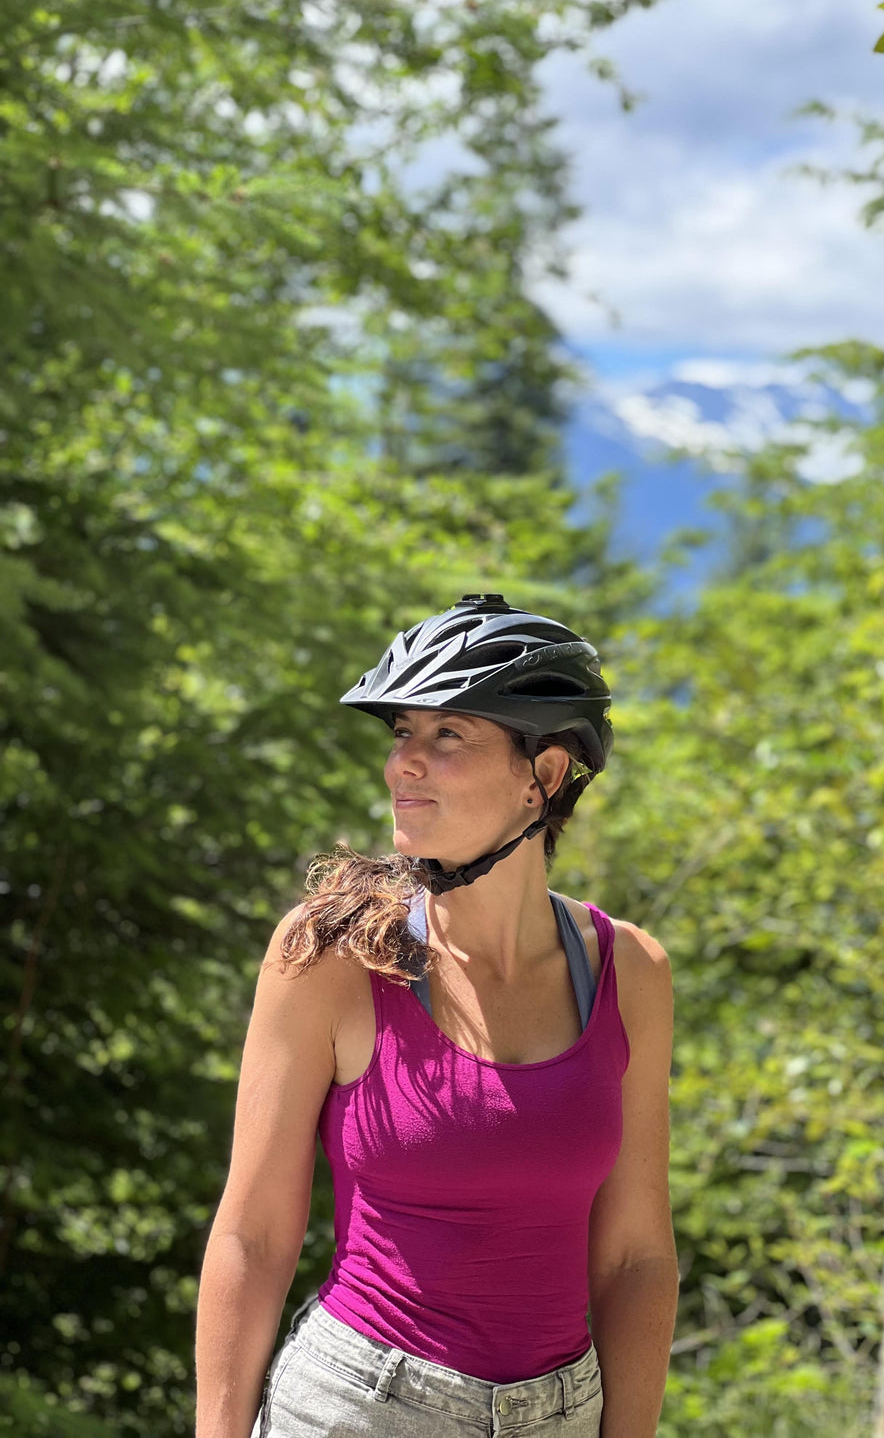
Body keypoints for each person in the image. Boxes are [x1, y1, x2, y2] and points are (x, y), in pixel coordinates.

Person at [195, 593, 678, 1438]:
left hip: (562, 1413)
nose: (402, 765)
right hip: (359, 1405)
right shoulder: (333, 954)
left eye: (447, 734)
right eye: (400, 734)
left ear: (547, 775)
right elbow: (255, 1233)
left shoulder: (627, 971)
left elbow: (636, 1255)